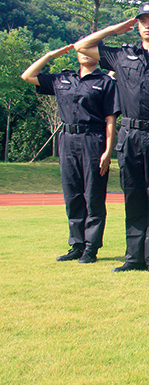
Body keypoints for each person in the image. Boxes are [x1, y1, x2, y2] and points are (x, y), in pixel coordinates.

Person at [74, 3, 149, 274]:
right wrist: (116, 28)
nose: (148, 25)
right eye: (142, 21)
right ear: (136, 25)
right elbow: (81, 46)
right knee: (133, 196)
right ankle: (133, 257)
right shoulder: (121, 57)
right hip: (129, 134)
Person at [21, 43, 118, 264]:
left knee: (93, 195)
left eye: (90, 50)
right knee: (72, 195)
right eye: (81, 50)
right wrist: (50, 54)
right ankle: (76, 245)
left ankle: (91, 248)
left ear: (97, 55)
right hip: (67, 140)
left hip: (93, 139)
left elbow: (111, 119)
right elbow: (28, 76)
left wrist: (108, 151)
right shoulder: (63, 79)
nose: (85, 54)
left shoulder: (105, 82)